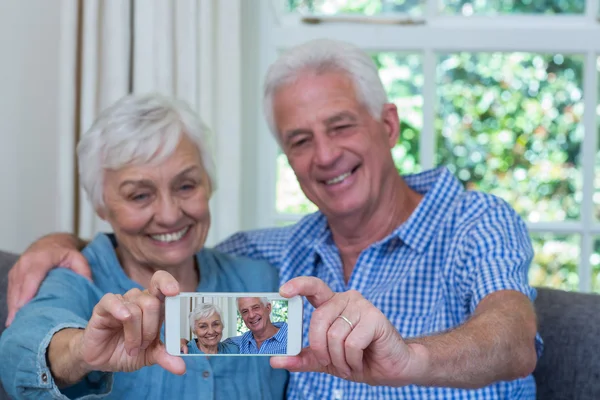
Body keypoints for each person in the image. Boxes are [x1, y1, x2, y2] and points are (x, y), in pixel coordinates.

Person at [6, 38, 542, 399]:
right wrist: (63, 245)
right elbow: (29, 348)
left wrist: (411, 358)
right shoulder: (271, 261)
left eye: (341, 126)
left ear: (388, 124)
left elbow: (514, 339)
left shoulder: (474, 222)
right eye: (301, 140)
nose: (326, 155)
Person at [0, 93, 287, 399]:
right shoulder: (75, 279)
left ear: (209, 183)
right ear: (101, 206)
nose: (170, 214)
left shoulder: (261, 279)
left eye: (186, 185)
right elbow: (19, 352)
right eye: (139, 195)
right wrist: (81, 350)